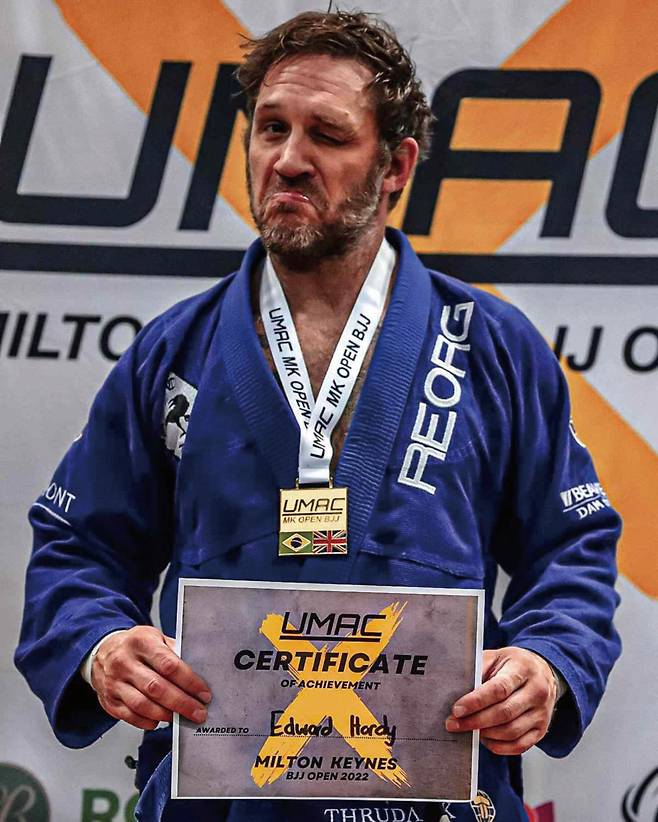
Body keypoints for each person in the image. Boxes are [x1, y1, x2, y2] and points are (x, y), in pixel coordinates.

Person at [15, 10, 621, 822]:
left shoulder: (493, 349)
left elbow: (571, 550)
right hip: (220, 805)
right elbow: (78, 548)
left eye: (327, 135)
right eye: (272, 128)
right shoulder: (174, 353)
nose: (288, 159)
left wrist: (546, 662)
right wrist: (100, 646)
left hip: (437, 800)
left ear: (396, 165)